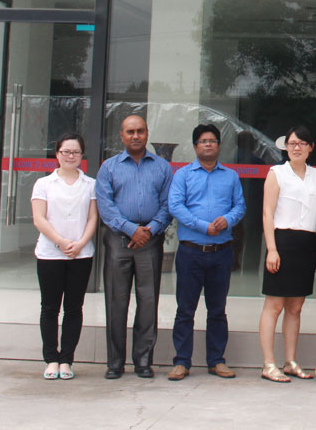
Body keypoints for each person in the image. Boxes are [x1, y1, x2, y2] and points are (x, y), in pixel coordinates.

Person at [166, 123, 246, 381]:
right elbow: (175, 206)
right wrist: (203, 226)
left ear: (219, 145)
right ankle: (182, 361)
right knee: (185, 309)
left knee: (217, 310)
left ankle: (217, 360)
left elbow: (240, 206)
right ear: (195, 146)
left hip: (221, 252)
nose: (208, 144)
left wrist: (227, 220)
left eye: (212, 140)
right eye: (203, 141)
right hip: (191, 252)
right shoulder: (183, 175)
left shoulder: (231, 176)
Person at [95, 115, 173, 379]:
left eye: (140, 131)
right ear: (122, 135)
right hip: (118, 239)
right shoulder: (109, 167)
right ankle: (115, 363)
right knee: (116, 301)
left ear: (147, 133)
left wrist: (149, 229)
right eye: (130, 132)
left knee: (148, 301)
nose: (136, 136)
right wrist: (131, 229)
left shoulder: (162, 167)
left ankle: (143, 361)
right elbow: (105, 206)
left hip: (150, 240)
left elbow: (167, 204)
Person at [258, 125, 316, 382]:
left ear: (311, 147)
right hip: (282, 242)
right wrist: (272, 249)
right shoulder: (276, 173)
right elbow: (267, 213)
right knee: (274, 305)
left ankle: (290, 361)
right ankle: (268, 364)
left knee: (296, 307)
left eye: (301, 143)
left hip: (307, 244)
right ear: (285, 147)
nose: (296, 147)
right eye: (292, 143)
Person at [31, 133, 98, 380]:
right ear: (57, 154)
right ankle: (51, 359)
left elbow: (92, 218)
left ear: (82, 155)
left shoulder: (90, 184)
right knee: (50, 307)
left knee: (73, 308)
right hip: (50, 254)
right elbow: (39, 218)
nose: (71, 156)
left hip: (81, 255)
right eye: (66, 151)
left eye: (76, 152)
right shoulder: (44, 184)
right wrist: (60, 241)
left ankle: (67, 360)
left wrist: (80, 244)